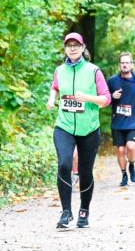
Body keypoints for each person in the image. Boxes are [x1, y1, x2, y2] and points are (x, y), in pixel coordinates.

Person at [47, 32, 111, 229]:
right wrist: (51, 98)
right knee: (64, 164)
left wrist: (88, 98)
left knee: (85, 171)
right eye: (69, 45)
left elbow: (106, 99)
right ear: (65, 49)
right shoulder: (60, 70)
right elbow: (55, 86)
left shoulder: (94, 71)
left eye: (76, 45)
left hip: (89, 128)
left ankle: (84, 210)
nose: (72, 48)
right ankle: (66, 212)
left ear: (83, 48)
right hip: (64, 126)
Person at [107, 52, 135, 186]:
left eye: (127, 62)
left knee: (130, 146)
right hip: (117, 121)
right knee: (121, 150)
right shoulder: (112, 81)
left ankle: (132, 165)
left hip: (133, 120)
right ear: (119, 65)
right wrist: (112, 96)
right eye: (122, 62)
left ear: (132, 65)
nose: (125, 65)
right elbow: (103, 98)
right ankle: (123, 174)